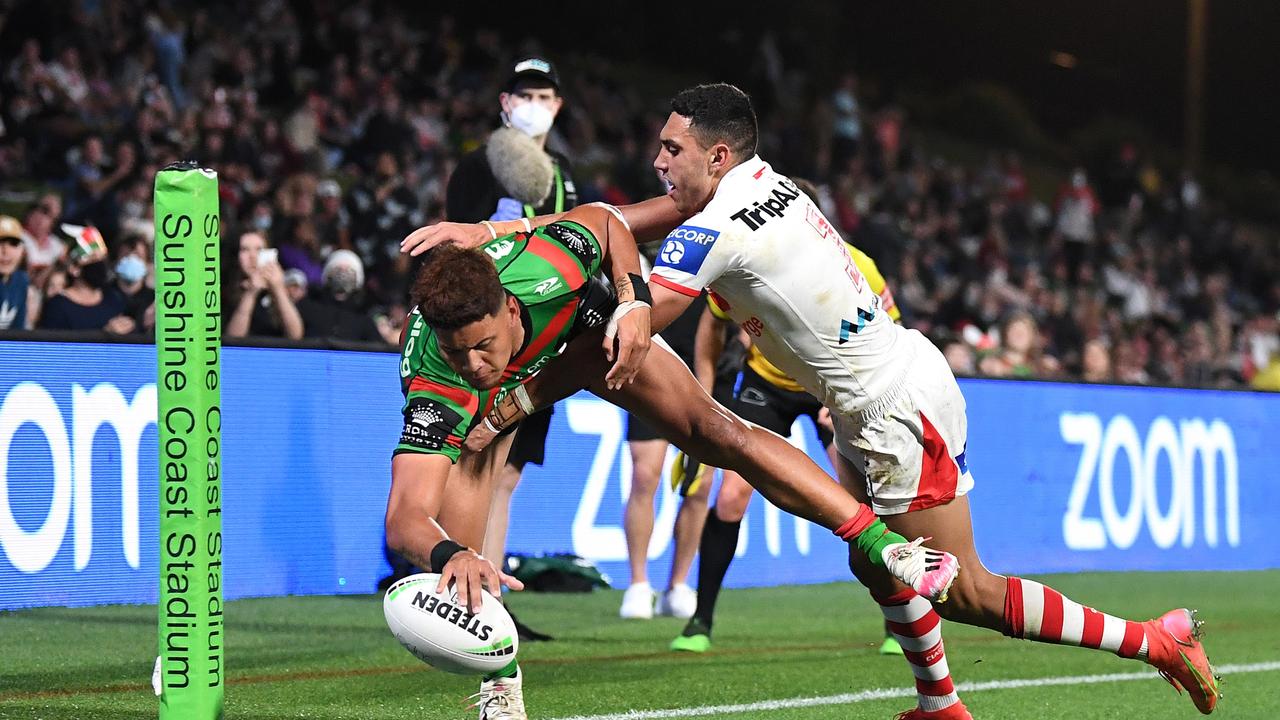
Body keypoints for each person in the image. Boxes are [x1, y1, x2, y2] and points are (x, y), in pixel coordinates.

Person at [407, 83, 1218, 719]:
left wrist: (563, 345)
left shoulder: (711, 231)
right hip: (889, 386)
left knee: (966, 590)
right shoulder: (768, 183)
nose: (657, 158)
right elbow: (625, 220)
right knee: (879, 571)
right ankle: (940, 702)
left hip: (894, 408)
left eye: (671, 148)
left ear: (717, 155)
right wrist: (505, 238)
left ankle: (1156, 640)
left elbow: (631, 328)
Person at [388, 204, 956, 719]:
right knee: (464, 551)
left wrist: (634, 302)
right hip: (496, 404)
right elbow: (406, 516)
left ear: (510, 307)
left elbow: (608, 222)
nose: (473, 362)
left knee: (717, 432)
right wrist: (450, 552)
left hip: (588, 337)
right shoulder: (439, 380)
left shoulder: (548, 266)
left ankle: (886, 546)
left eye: (482, 344)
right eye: (456, 350)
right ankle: (501, 692)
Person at [671, 182, 906, 655]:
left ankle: (899, 621)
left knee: (866, 500)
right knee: (732, 497)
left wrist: (847, 395)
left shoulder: (857, 265)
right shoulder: (745, 264)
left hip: (835, 391)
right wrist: (703, 390)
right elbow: (713, 325)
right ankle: (700, 620)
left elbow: (891, 334)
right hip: (767, 387)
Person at [432, 57, 579, 642]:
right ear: (503, 101)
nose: (534, 104)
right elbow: (451, 243)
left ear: (558, 105)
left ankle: (488, 597)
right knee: (477, 462)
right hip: (489, 334)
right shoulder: (477, 167)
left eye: (544, 95)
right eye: (525, 95)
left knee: (507, 474)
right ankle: (465, 593)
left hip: (540, 334)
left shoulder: (562, 173)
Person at [618, 297, 712, 620]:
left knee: (699, 482)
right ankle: (638, 583)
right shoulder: (646, 250)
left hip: (707, 358)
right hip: (653, 351)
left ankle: (678, 585)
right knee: (645, 475)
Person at [37, 224, 127, 332]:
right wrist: (105, 334)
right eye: (93, 258)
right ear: (74, 268)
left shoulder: (113, 299)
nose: (100, 265)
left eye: (102, 258)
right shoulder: (57, 307)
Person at [224, 230, 305, 340]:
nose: (252, 256)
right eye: (245, 250)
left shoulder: (279, 289)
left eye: (259, 249)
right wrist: (251, 293)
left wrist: (278, 289)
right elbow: (233, 339)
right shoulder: (225, 292)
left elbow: (295, 335)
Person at [0, 216, 30, 331]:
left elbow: (18, 333)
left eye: (13, 243)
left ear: (22, 250)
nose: (5, 251)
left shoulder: (21, 280)